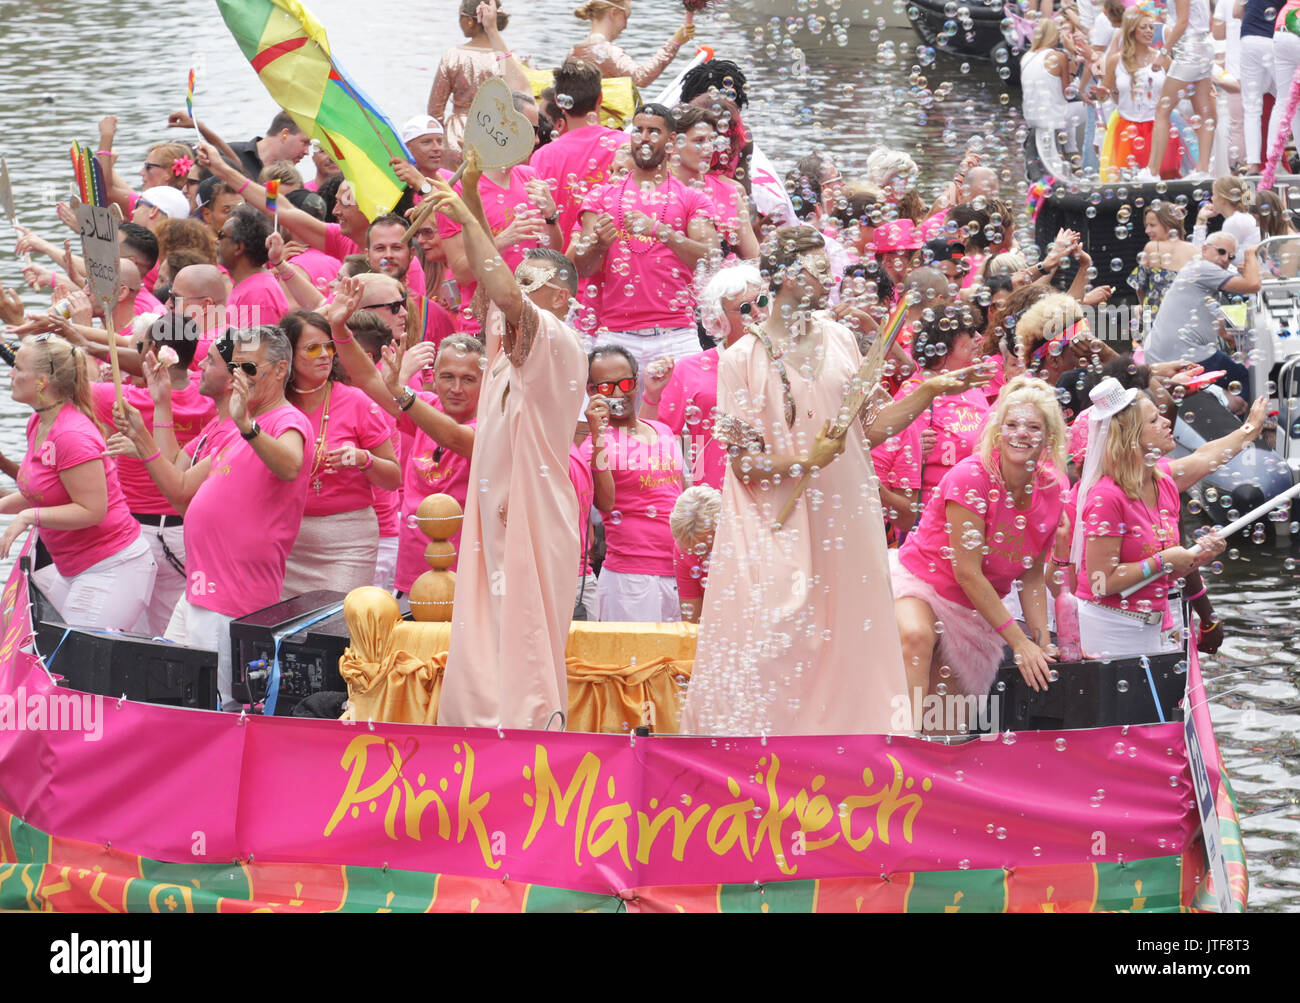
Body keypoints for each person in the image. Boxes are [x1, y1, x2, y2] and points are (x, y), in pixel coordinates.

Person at [681, 225, 990, 737]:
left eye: (829, 269)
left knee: (848, 638)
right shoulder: (742, 359)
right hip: (775, 522)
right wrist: (806, 459)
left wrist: (930, 389)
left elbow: (869, 428)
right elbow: (742, 464)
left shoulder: (844, 338)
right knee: (780, 639)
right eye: (818, 270)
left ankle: (853, 752)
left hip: (846, 515)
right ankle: (763, 755)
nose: (829, 280)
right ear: (783, 275)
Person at [421, 176, 588, 731]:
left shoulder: (556, 341)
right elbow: (490, 276)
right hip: (492, 511)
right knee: (481, 641)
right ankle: (472, 746)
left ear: (561, 296)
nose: (509, 288)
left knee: (522, 645)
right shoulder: (504, 348)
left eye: (529, 282)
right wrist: (465, 188)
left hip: (532, 512)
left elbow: (507, 294)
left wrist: (469, 219)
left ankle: (534, 747)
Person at [121, 327, 311, 709]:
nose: (240, 375)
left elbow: (290, 465)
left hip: (233, 595)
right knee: (168, 692)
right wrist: (151, 424)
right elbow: (181, 488)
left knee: (218, 704)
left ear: (279, 370)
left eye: (249, 367)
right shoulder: (232, 431)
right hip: (199, 588)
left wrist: (246, 425)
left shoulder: (286, 420)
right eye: (237, 366)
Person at [891, 378, 1067, 730]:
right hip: (922, 583)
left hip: (975, 612)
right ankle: (901, 748)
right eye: (1012, 425)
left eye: (1033, 427)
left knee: (946, 731)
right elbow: (967, 572)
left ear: (1049, 438)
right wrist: (1018, 642)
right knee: (916, 636)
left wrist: (1041, 642)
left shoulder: (1054, 488)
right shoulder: (971, 477)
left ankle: (929, 770)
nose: (1021, 434)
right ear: (998, 431)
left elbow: (1031, 573)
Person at [1070, 377, 1263, 656]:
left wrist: (1197, 557)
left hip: (1157, 625)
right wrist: (1164, 560)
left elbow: (1160, 571)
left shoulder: (1164, 484)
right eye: (1153, 420)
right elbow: (1101, 583)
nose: (1166, 422)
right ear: (1130, 437)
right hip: (1111, 629)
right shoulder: (1106, 496)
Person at [328, 278, 482, 593]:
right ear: (434, 379)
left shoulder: (493, 423)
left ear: (487, 382)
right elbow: (368, 377)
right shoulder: (424, 406)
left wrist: (401, 392)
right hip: (412, 573)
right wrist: (339, 329)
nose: (455, 388)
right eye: (446, 377)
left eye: (468, 379)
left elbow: (455, 438)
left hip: (467, 579)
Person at [0, 335, 157, 631]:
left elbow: (92, 510)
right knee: (27, 645)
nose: (9, 373)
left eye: (18, 368)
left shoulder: (71, 435)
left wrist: (27, 517)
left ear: (42, 381)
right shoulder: (38, 422)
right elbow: (40, 491)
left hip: (113, 566)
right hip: (73, 568)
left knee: (71, 671)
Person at [93, 313, 216, 635]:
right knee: (171, 632)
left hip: (131, 534)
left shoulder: (121, 400)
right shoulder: (213, 402)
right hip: (185, 533)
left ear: (150, 351)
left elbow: (67, 384)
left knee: (121, 631)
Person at [571, 104, 719, 370]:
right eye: (638, 130)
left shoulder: (691, 197)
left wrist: (661, 232)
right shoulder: (601, 196)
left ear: (672, 141)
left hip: (677, 335)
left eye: (653, 131)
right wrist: (599, 245)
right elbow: (582, 268)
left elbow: (710, 257)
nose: (644, 137)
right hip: (615, 334)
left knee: (683, 411)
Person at [280, 310, 399, 597]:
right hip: (287, 538)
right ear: (288, 356)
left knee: (334, 627)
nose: (324, 355)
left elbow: (393, 478)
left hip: (348, 542)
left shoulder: (355, 400)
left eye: (328, 346)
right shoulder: (274, 404)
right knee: (285, 630)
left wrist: (363, 459)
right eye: (312, 348)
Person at [581, 345, 685, 622]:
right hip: (631, 580)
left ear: (635, 382)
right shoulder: (594, 445)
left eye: (625, 384)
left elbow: (682, 496)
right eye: (606, 387)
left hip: (679, 572)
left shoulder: (661, 430)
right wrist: (598, 433)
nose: (617, 394)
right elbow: (604, 503)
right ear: (591, 391)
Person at [641, 262, 766, 489]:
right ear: (719, 319)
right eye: (745, 308)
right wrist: (651, 395)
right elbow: (654, 439)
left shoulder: (786, 362)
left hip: (779, 489)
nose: (758, 314)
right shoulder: (690, 369)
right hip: (717, 498)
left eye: (762, 302)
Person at [893, 309, 993, 509]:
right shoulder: (915, 393)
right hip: (936, 511)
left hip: (978, 504)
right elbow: (890, 462)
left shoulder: (973, 384)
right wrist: (912, 452)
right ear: (945, 343)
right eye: (970, 332)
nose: (979, 338)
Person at [1142, 233, 1260, 392]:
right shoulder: (1204, 268)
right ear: (1205, 249)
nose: (1225, 259)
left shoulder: (1196, 269)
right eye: (1221, 251)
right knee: (1246, 379)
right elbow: (1253, 285)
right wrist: (1250, 254)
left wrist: (1224, 333)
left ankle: (1224, 405)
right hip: (1183, 353)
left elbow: (1206, 308)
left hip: (1164, 353)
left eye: (1231, 256)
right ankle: (1236, 408)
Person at [528, 59, 629, 241]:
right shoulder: (626, 146)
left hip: (559, 262)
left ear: (559, 101)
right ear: (600, 98)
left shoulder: (542, 156)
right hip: (615, 262)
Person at [427, 0, 531, 169]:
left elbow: (434, 111)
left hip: (457, 136)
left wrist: (438, 141)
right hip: (495, 134)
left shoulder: (453, 56)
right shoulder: (509, 59)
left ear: (469, 20)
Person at [1100, 9, 1186, 180]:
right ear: (1132, 30)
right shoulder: (1116, 61)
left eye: (1151, 28)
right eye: (1144, 27)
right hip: (1126, 128)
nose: (1149, 31)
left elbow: (1180, 89)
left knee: (1164, 180)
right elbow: (1104, 93)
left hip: (1158, 128)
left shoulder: (1164, 60)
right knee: (1127, 182)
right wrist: (1100, 94)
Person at [668, 105, 760, 261]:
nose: (709, 148)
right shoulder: (658, 189)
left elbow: (753, 257)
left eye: (711, 140)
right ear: (674, 143)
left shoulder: (728, 192)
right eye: (699, 140)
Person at [1143, 0, 1218, 179]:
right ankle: (1202, 170)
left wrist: (1163, 53)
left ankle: (1152, 171)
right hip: (1202, 47)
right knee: (1203, 112)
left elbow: (1182, 23)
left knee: (1162, 110)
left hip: (1188, 50)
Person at [569, 0, 695, 88]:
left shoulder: (573, 52)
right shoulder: (608, 52)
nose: (625, 26)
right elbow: (641, 77)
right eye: (626, 17)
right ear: (613, 13)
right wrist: (674, 43)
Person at [1021, 18, 1089, 155]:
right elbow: (1067, 93)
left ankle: (1070, 150)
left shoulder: (1026, 57)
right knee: (1089, 106)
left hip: (1032, 117)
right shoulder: (1059, 56)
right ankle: (1073, 151)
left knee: (1067, 108)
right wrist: (1073, 53)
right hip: (1053, 117)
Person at [219, 205, 288, 328]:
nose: (216, 241)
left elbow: (258, 346)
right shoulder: (250, 286)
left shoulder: (258, 294)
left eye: (221, 235)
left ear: (238, 247)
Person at [1130, 203, 1197, 322]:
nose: (1147, 230)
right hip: (1191, 320)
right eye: (1147, 225)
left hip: (1161, 322)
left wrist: (1146, 309)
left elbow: (1139, 287)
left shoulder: (1152, 247)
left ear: (1169, 225)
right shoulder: (1194, 249)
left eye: (1152, 225)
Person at [670, 485, 720, 624]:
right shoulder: (683, 550)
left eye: (708, 548)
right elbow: (693, 622)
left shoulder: (743, 543)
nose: (702, 558)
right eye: (694, 550)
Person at [1238, 0, 1276, 175]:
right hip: (1275, 37)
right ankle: (1273, 161)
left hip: (1249, 37)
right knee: (1288, 101)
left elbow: (1237, 11)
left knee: (1252, 107)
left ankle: (1254, 164)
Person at [1192, 176, 1261, 265]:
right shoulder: (1242, 218)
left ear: (1223, 199)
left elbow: (1201, 258)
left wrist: (1200, 221)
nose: (1212, 198)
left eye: (1214, 194)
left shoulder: (1234, 221)